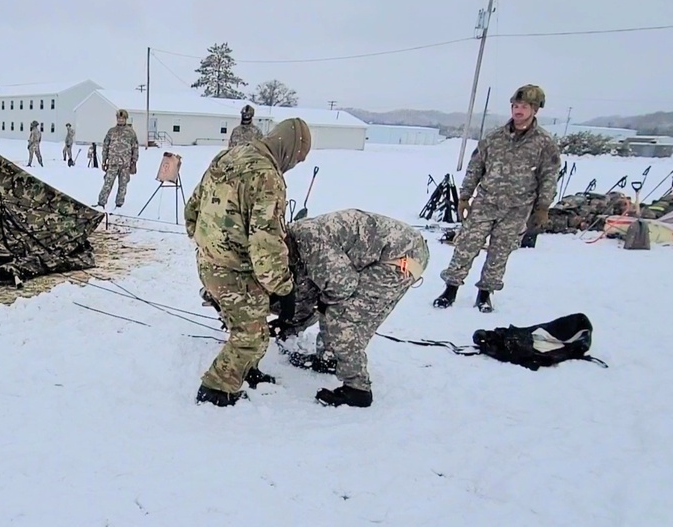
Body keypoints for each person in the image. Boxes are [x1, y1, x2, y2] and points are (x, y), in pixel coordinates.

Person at [186, 118, 312, 407]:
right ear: (290, 149)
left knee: (243, 323)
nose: (293, 164)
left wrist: (206, 245)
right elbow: (265, 242)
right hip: (236, 272)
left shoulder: (229, 155)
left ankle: (247, 370)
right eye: (297, 158)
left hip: (208, 263)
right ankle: (216, 388)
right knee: (252, 337)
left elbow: (193, 207)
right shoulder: (268, 177)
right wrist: (283, 287)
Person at [265, 209, 429, 408]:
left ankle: (357, 388)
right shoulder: (296, 244)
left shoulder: (311, 242)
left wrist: (321, 307)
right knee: (330, 301)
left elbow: (342, 287)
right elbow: (308, 292)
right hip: (390, 254)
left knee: (341, 315)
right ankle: (329, 358)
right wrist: (289, 325)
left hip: (399, 257)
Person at [433, 84, 561, 312]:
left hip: (517, 208)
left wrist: (542, 207)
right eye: (515, 106)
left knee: (500, 252)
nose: (518, 110)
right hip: (485, 203)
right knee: (465, 246)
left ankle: (484, 294)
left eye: (524, 107)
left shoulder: (544, 143)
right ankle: (449, 290)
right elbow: (475, 168)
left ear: (535, 110)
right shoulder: (494, 138)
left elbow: (549, 175)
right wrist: (464, 197)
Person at [97, 109, 139, 209]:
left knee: (123, 185)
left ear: (126, 119)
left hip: (125, 164)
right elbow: (105, 146)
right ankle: (101, 202)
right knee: (108, 183)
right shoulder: (111, 131)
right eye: (119, 118)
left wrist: (134, 162)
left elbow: (135, 148)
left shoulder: (131, 133)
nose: (120, 120)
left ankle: (119, 204)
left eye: (123, 118)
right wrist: (104, 160)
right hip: (113, 163)